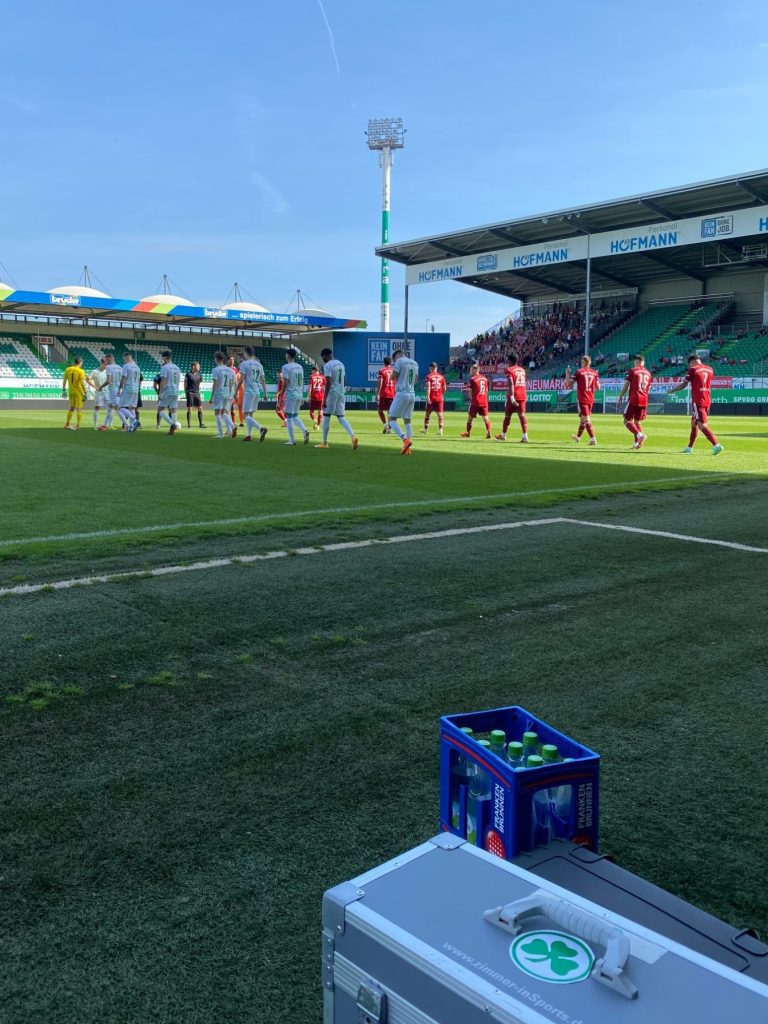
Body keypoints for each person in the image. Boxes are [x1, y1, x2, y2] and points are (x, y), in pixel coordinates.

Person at [667, 354, 724, 455]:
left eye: (689, 365)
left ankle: (716, 445)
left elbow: (684, 385)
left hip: (698, 400)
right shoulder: (710, 369)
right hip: (707, 398)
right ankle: (689, 448)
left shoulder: (693, 369)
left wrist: (673, 390)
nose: (690, 366)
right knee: (693, 423)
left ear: (692, 362)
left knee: (701, 424)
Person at [315, 347, 358, 449]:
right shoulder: (340, 363)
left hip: (332, 393)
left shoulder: (327, 365)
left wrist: (324, 399)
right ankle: (353, 436)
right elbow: (345, 379)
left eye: (323, 357)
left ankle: (324, 443)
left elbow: (328, 382)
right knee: (341, 417)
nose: (323, 359)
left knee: (326, 417)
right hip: (341, 392)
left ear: (325, 355)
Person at [386, 348, 419, 454]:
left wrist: (397, 375)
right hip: (412, 393)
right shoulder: (415, 363)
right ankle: (407, 449)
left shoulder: (400, 361)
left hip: (402, 393)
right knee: (407, 422)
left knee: (391, 419)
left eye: (394, 360)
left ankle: (405, 440)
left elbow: (392, 377)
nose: (394, 362)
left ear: (397, 356)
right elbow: (416, 380)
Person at [616, 354, 652, 449]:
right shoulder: (648, 373)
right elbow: (648, 388)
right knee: (637, 422)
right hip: (644, 399)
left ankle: (640, 435)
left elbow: (626, 385)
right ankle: (636, 444)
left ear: (635, 362)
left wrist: (620, 396)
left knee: (626, 421)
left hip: (634, 398)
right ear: (643, 363)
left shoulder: (633, 371)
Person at [565, 355, 600, 445]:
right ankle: (578, 438)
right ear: (590, 363)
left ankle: (593, 439)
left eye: (581, 362)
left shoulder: (579, 372)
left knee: (586, 419)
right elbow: (598, 387)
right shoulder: (594, 373)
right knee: (582, 420)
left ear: (583, 362)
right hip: (590, 398)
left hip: (582, 398)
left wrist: (567, 374)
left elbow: (568, 384)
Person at [496, 352, 528, 443]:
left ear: (509, 361)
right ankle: (525, 436)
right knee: (522, 416)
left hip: (514, 395)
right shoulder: (522, 370)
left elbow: (511, 384)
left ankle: (503, 435)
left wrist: (512, 396)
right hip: (522, 394)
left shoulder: (509, 370)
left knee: (507, 416)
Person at [279, 348, 309, 446]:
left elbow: (286, 382)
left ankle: (292, 440)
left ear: (288, 355)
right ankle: (304, 430)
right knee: (295, 416)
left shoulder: (286, 367)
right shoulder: (300, 367)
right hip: (299, 394)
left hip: (291, 394)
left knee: (289, 417)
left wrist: (281, 394)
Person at [239, 346, 268, 442]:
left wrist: (235, 391)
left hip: (249, 392)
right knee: (250, 415)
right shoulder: (259, 365)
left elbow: (241, 379)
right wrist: (265, 393)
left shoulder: (244, 364)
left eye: (244, 353)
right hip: (257, 392)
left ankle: (261, 428)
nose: (243, 355)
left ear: (247, 353)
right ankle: (249, 435)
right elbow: (263, 380)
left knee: (245, 415)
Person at [210, 351, 237, 438]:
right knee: (224, 412)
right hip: (228, 393)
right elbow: (233, 383)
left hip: (219, 392)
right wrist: (232, 393)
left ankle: (221, 434)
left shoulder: (216, 370)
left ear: (216, 359)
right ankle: (232, 427)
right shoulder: (230, 370)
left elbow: (215, 384)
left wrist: (212, 396)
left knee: (217, 413)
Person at [460, 365, 492, 438]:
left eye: (471, 369)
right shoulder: (484, 379)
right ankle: (488, 431)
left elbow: (470, 391)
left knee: (470, 418)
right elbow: (486, 390)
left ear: (475, 370)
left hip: (475, 401)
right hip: (484, 401)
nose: (470, 371)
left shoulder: (473, 379)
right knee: (486, 418)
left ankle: (468, 433)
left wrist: (471, 399)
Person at [157, 349, 182, 435]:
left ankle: (173, 424)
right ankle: (172, 431)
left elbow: (163, 381)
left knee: (160, 409)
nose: (163, 359)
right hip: (175, 390)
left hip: (167, 390)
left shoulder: (164, 367)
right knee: (173, 410)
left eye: (163, 357)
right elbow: (178, 380)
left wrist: (160, 393)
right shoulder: (177, 367)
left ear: (166, 357)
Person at [117, 353, 141, 432]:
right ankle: (131, 427)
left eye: (124, 359)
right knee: (132, 408)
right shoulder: (137, 367)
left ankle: (133, 420)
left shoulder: (126, 366)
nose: (124, 360)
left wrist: (119, 389)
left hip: (128, 388)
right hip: (136, 389)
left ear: (126, 358)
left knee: (121, 408)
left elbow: (123, 378)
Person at [62, 356, 87, 430]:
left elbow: (64, 380)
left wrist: (63, 390)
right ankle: (78, 425)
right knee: (79, 409)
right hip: (78, 392)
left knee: (72, 408)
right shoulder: (81, 371)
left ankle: (67, 424)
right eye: (81, 362)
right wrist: (85, 391)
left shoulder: (68, 369)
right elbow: (81, 383)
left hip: (71, 391)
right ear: (80, 362)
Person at [422, 362, 446, 435]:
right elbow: (444, 388)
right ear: (436, 368)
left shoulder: (429, 376)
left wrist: (428, 396)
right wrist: (441, 394)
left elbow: (428, 387)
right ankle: (440, 430)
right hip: (439, 398)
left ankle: (426, 430)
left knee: (427, 414)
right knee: (440, 415)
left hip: (432, 398)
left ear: (430, 368)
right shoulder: (441, 377)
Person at [99, 354, 123, 430]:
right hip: (118, 389)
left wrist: (101, 387)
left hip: (113, 390)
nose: (105, 362)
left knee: (117, 408)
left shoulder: (109, 367)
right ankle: (105, 426)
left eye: (106, 360)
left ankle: (127, 425)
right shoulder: (119, 367)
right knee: (109, 408)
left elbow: (108, 381)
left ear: (109, 359)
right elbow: (122, 379)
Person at [376, 355, 396, 432]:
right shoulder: (394, 371)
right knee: (390, 412)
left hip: (384, 393)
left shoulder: (381, 371)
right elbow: (396, 382)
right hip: (392, 393)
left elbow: (380, 382)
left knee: (380, 410)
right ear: (390, 362)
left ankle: (386, 426)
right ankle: (389, 427)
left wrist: (377, 393)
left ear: (384, 362)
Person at [88, 357, 108, 430]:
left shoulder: (108, 371)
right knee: (97, 407)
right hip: (99, 392)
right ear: (101, 363)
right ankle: (96, 425)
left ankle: (107, 425)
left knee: (110, 408)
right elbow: (88, 379)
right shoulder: (95, 371)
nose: (106, 366)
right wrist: (95, 386)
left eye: (107, 364)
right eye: (105, 364)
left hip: (107, 392)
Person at [184, 362, 205, 428]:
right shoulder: (188, 374)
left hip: (197, 393)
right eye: (198, 366)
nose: (199, 367)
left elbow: (200, 382)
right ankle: (189, 425)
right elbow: (185, 384)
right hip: (190, 393)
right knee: (190, 409)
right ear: (193, 366)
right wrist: (186, 393)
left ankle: (201, 424)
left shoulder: (199, 375)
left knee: (200, 408)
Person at [227, 355, 245, 428]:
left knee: (233, 407)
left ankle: (234, 423)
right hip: (227, 390)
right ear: (227, 360)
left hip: (233, 391)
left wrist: (237, 391)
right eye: (230, 359)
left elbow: (237, 381)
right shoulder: (225, 369)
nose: (232, 361)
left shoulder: (235, 369)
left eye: (233, 360)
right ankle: (230, 423)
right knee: (227, 408)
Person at [308, 364, 326, 430]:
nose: (311, 372)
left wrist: (308, 396)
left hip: (313, 396)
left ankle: (315, 420)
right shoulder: (323, 377)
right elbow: (324, 387)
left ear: (315, 370)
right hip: (321, 396)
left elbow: (310, 387)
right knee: (320, 411)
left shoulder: (311, 377)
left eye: (312, 371)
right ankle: (318, 425)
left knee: (311, 411)